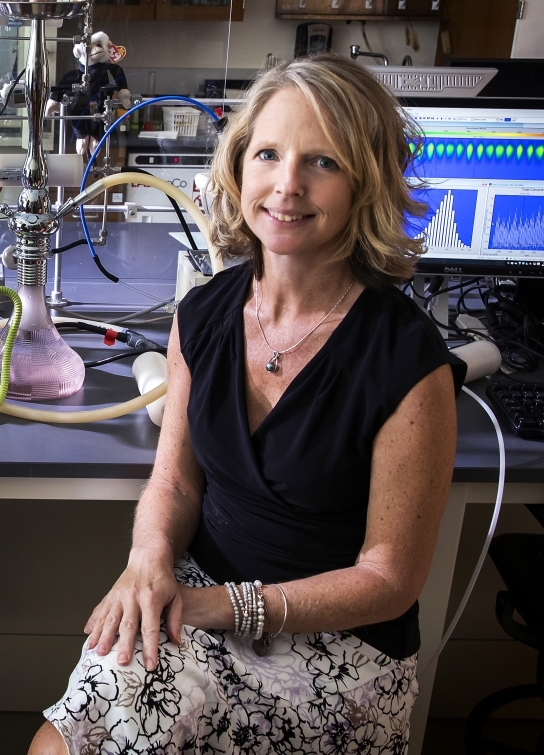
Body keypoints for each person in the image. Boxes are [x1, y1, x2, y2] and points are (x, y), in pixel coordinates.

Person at [29, 54, 466, 755]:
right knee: (62, 746)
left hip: (339, 646)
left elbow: (391, 579)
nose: (287, 184)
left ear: (367, 182)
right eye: (268, 153)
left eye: (322, 161)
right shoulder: (202, 316)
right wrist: (148, 560)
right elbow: (175, 481)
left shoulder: (407, 362)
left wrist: (229, 606)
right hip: (199, 602)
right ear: (238, 167)